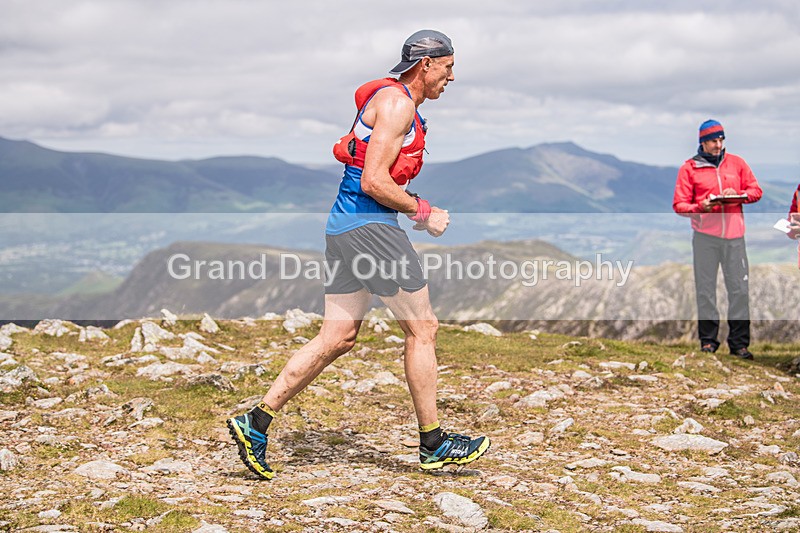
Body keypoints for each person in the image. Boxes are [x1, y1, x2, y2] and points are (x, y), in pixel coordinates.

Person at [227, 30, 490, 480]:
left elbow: (367, 170)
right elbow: (374, 182)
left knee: (338, 338)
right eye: (448, 68)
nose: (452, 78)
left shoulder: (390, 101)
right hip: (370, 228)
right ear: (426, 65)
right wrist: (423, 211)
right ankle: (433, 443)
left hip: (344, 227)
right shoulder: (398, 104)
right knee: (422, 328)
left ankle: (255, 422)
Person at [673, 120, 763, 359]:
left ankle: (739, 345)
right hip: (705, 238)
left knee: (739, 291)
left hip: (735, 238)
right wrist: (701, 206)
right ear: (703, 141)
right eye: (714, 140)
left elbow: (756, 191)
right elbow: (679, 205)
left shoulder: (738, 163)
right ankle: (708, 342)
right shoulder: (689, 168)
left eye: (721, 140)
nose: (718, 144)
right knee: (705, 291)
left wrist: (738, 196)